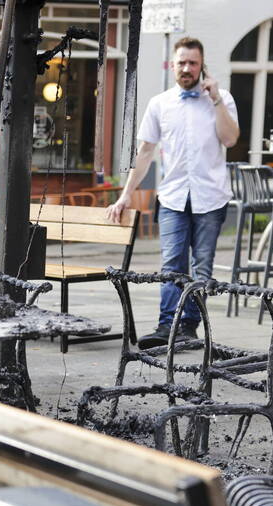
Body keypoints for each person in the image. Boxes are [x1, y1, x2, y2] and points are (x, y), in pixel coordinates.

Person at [105, 37, 239, 350]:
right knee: (171, 264)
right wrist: (126, 195)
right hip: (174, 197)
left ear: (201, 65)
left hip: (211, 197)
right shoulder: (160, 103)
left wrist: (217, 98)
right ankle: (167, 326)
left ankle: (189, 328)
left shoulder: (222, 100)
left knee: (202, 265)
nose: (187, 68)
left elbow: (230, 139)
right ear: (173, 65)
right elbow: (145, 152)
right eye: (182, 62)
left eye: (193, 63)